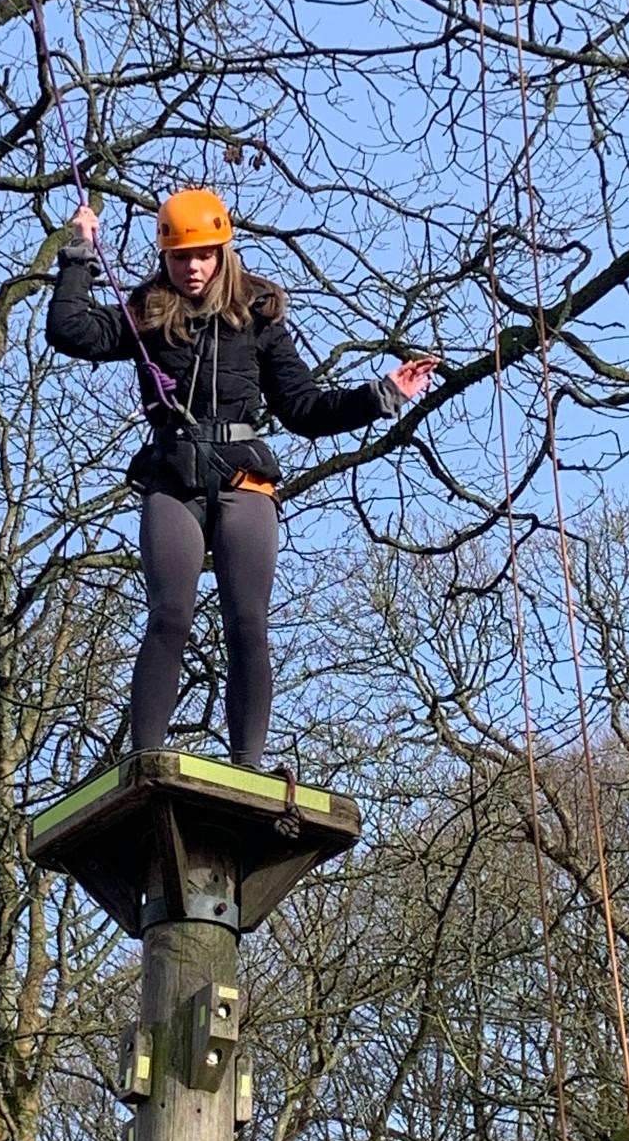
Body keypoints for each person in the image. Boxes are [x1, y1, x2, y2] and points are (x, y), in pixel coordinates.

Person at [46, 188, 437, 769]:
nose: (193, 268)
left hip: (243, 479)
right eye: (181, 257)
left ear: (222, 253)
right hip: (173, 478)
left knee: (247, 620)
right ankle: (146, 758)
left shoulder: (258, 316)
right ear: (165, 258)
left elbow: (303, 408)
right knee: (169, 614)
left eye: (204, 255)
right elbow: (69, 329)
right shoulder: (147, 312)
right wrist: (80, 252)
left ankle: (247, 764)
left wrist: (379, 396)